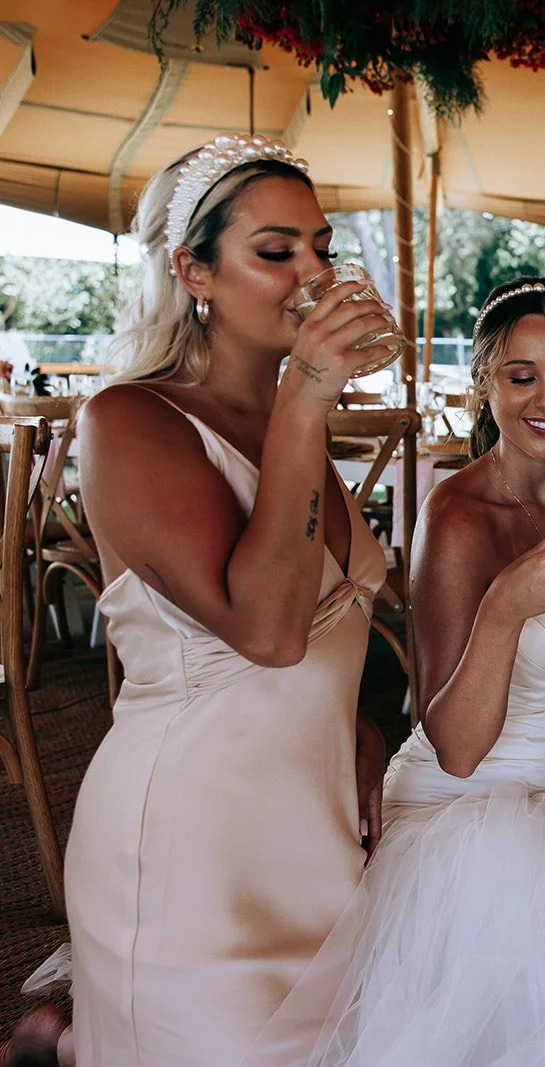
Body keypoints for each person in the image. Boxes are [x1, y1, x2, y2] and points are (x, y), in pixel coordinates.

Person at [23, 134, 392, 1066]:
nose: (311, 275)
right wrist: (309, 395)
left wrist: (356, 729)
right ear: (193, 270)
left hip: (313, 840)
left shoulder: (284, 420)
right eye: (275, 252)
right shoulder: (130, 420)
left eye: (322, 248)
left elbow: (331, 633)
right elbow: (269, 632)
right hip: (193, 853)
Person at [262, 278, 545, 1066]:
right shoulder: (456, 515)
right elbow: (456, 745)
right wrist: (507, 607)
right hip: (470, 801)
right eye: (522, 376)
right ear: (486, 385)